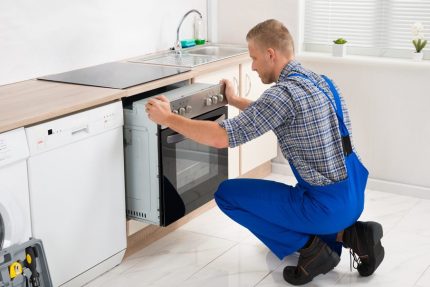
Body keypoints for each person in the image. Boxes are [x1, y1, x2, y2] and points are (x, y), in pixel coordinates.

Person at [145, 19, 384, 285]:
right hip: (352, 196)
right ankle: (351, 235)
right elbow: (269, 115)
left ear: (271, 54)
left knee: (227, 195)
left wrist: (168, 118)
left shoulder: (283, 94)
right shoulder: (320, 82)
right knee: (296, 206)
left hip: (325, 207)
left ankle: (312, 249)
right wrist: (234, 100)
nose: (253, 66)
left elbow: (220, 137)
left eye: (255, 58)